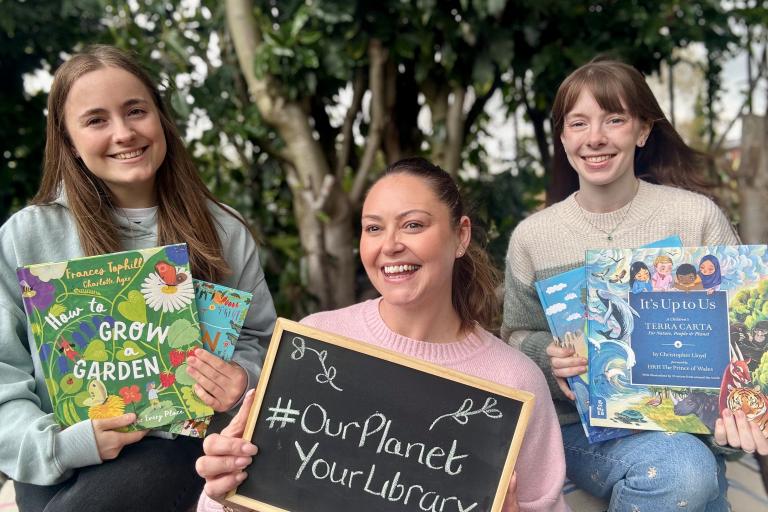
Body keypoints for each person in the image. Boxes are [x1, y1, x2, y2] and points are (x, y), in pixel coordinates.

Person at [195, 157, 569, 512]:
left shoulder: (514, 381)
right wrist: (224, 490)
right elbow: (237, 497)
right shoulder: (312, 346)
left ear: (461, 236)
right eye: (374, 228)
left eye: (413, 225)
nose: (390, 245)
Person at [0, 45, 276, 512]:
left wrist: (240, 378)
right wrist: (61, 446)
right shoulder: (28, 236)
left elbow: (261, 345)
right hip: (57, 465)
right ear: (67, 140)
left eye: (135, 111)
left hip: (177, 453)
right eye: (96, 120)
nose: (124, 133)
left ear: (161, 119)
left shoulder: (223, 231)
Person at [501, 58, 768, 512]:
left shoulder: (695, 217)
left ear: (643, 131)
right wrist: (552, 358)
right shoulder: (533, 238)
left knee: (691, 470)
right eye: (578, 122)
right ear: (563, 137)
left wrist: (742, 416)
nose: (595, 137)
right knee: (685, 470)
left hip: (689, 428)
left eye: (615, 119)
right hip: (581, 433)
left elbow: (745, 338)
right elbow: (514, 337)